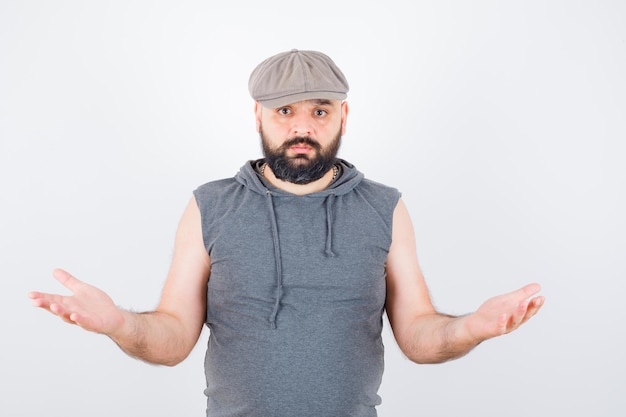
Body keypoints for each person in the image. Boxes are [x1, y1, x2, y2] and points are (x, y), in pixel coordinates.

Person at [29, 49, 544, 417]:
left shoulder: (385, 207)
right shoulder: (210, 205)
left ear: (344, 114)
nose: (303, 127)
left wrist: (473, 327)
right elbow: (172, 338)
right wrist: (119, 322)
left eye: (319, 111)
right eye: (285, 111)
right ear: (258, 114)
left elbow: (419, 335)